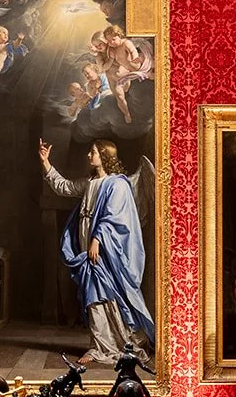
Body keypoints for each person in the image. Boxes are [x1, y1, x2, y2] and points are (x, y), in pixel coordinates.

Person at [38, 137, 154, 364]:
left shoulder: (118, 184)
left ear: (105, 155)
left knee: (101, 295)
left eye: (93, 152)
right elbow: (65, 187)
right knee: (94, 296)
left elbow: (113, 217)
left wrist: (97, 240)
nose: (89, 155)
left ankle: (109, 346)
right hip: (87, 244)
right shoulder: (91, 182)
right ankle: (100, 344)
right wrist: (45, 163)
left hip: (105, 249)